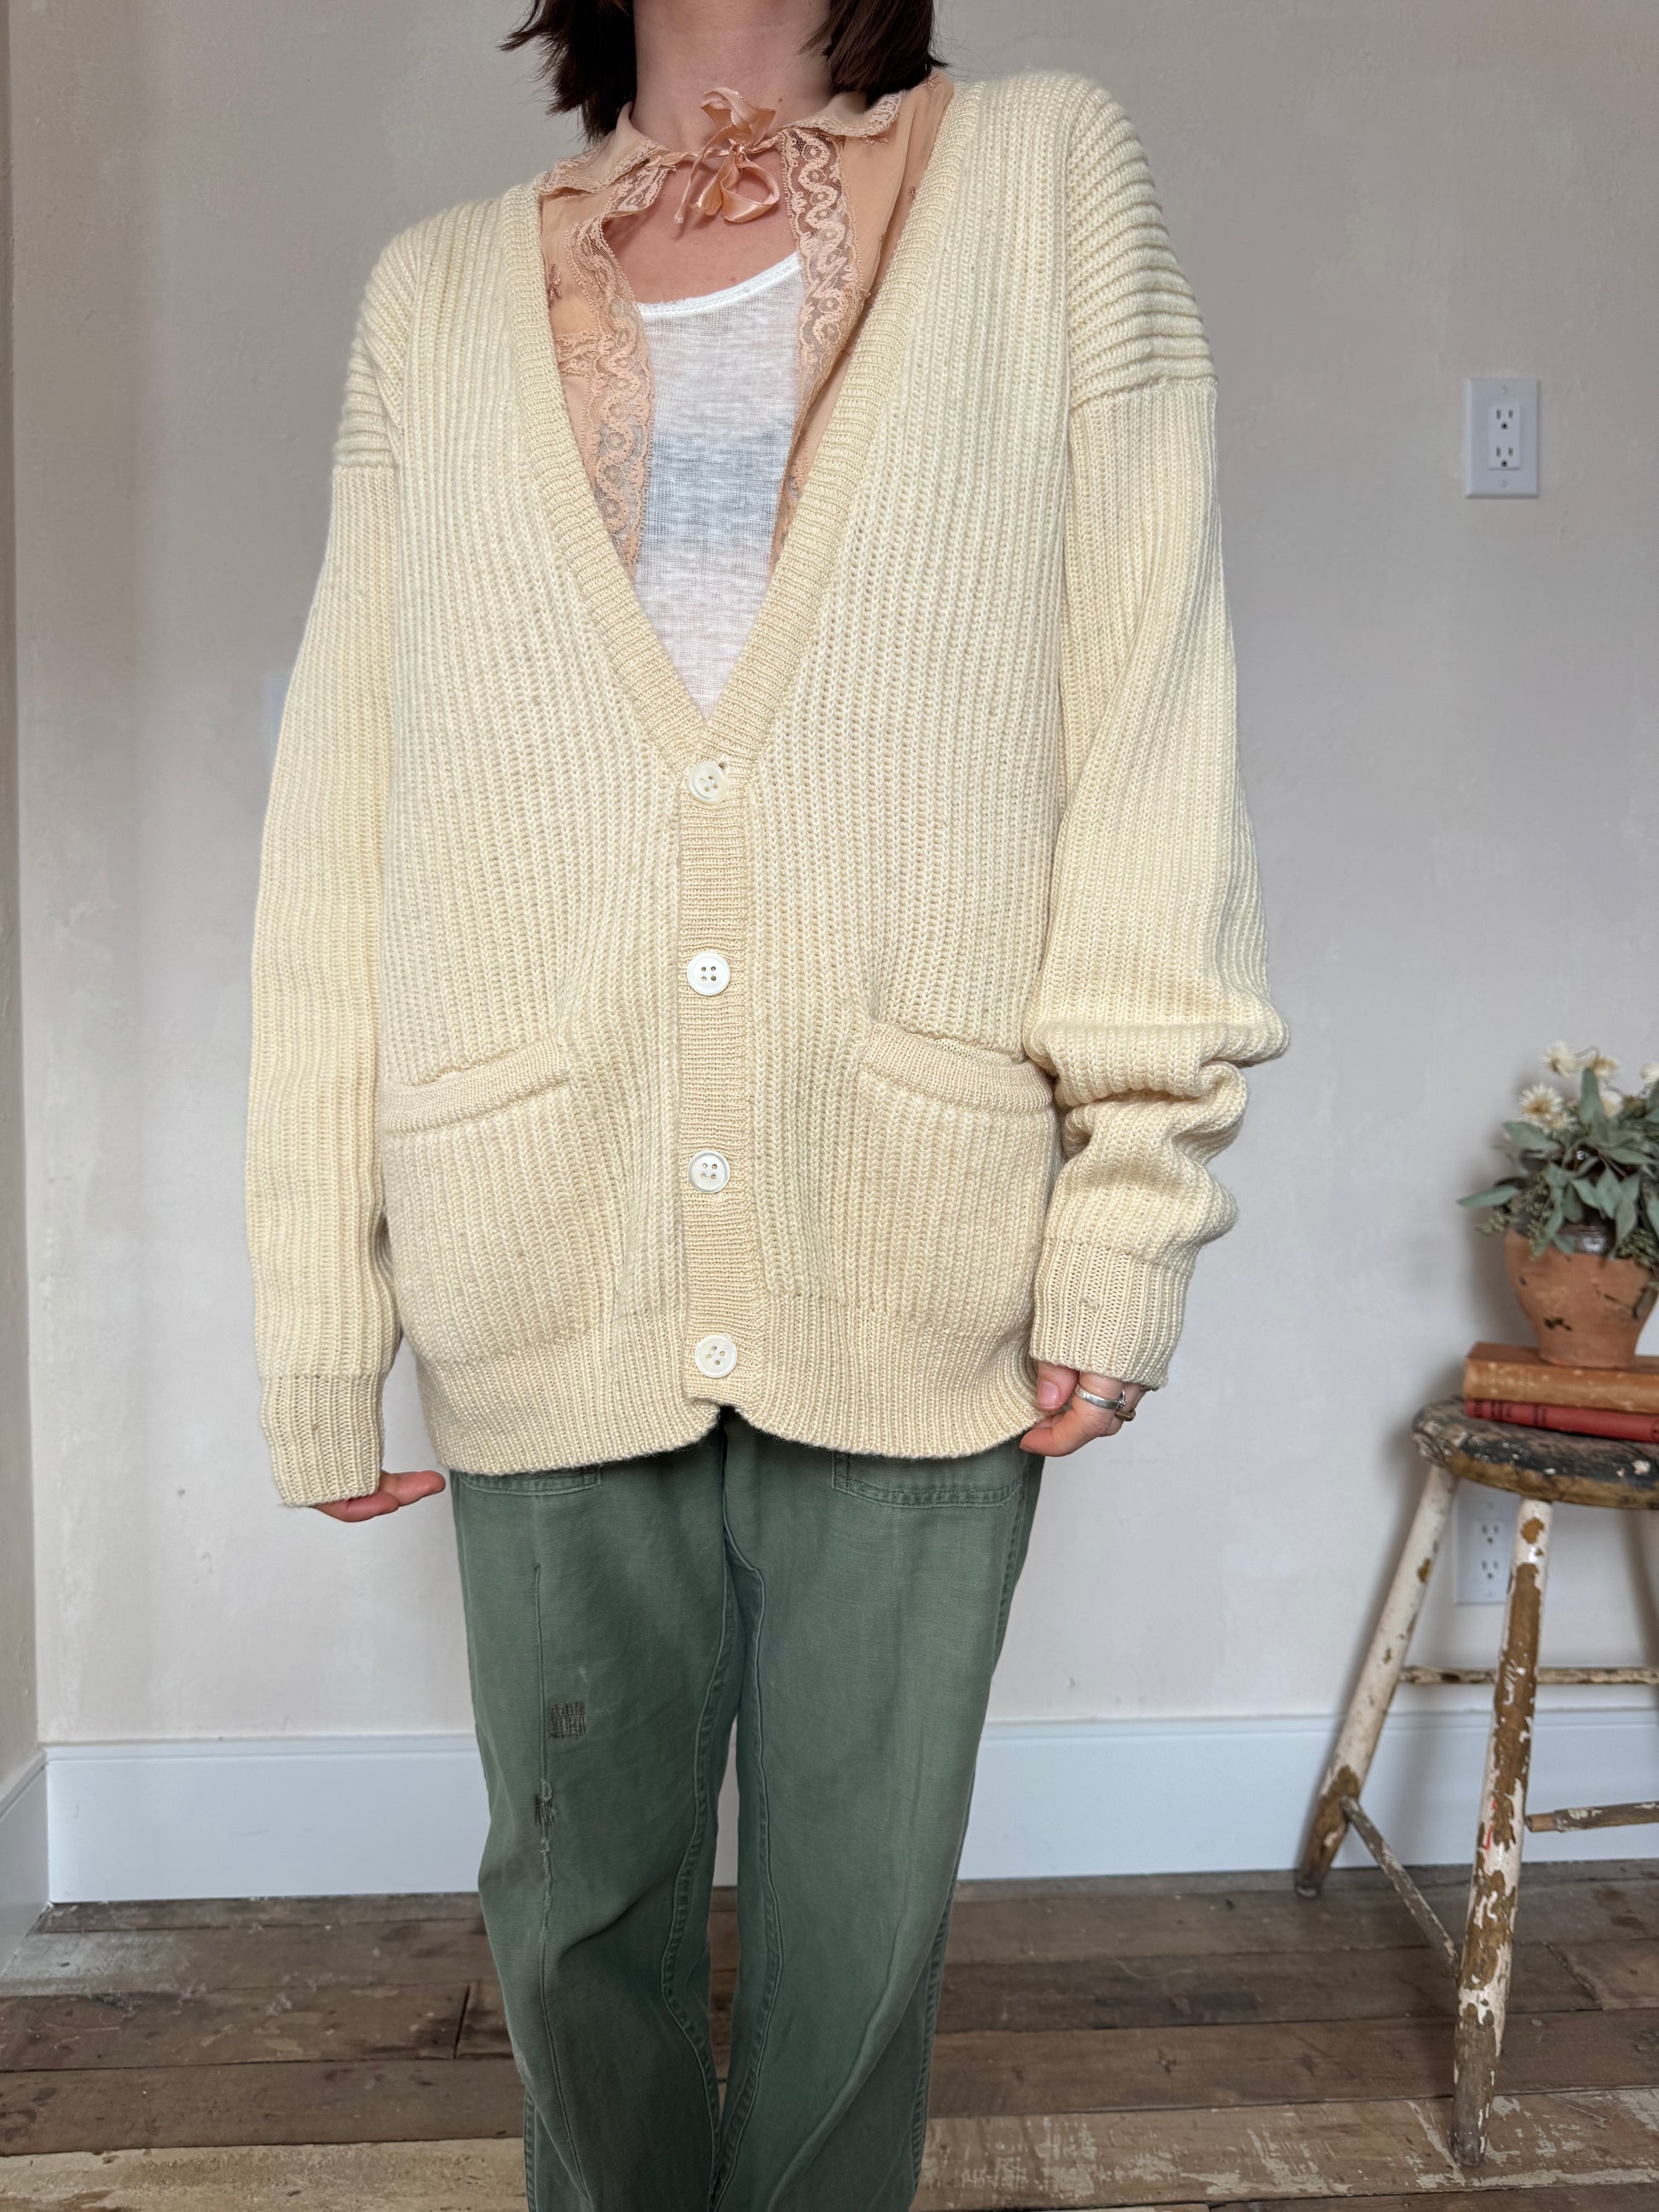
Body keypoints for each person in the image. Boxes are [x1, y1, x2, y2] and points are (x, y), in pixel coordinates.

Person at [245, 0, 1289, 2203]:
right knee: (571, 1912)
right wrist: (320, 1306)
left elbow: (1148, 706)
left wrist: (1132, 1194)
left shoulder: (1043, 182)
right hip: (534, 1213)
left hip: (917, 1218)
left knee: (861, 1925)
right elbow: (343, 822)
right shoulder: (439, 295)